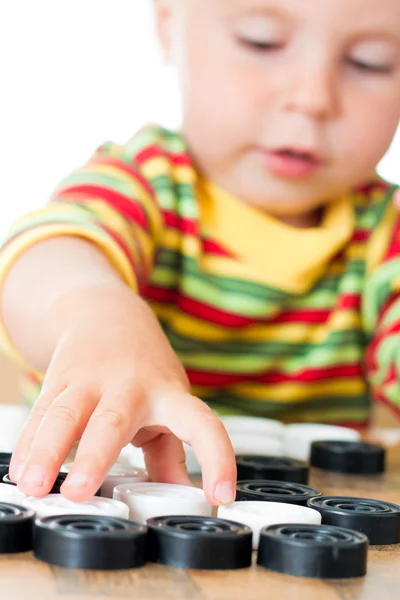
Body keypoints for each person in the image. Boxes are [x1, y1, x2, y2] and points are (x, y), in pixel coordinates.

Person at [0, 0, 399, 506]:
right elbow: (48, 255)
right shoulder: (146, 183)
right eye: (261, 41)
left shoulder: (384, 232)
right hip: (88, 519)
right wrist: (101, 319)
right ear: (170, 25)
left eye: (369, 61)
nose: (313, 97)